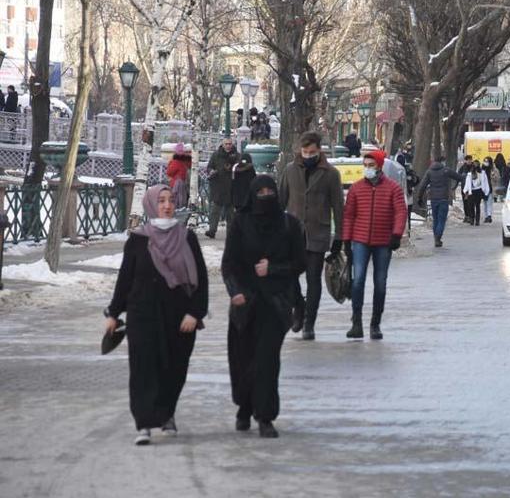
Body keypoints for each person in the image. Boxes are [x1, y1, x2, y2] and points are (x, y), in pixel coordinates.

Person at [105, 185, 208, 445]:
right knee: (143, 368)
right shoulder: (138, 240)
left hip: (179, 317)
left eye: (171, 200)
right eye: (161, 201)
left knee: (174, 368)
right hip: (143, 315)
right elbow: (125, 278)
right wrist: (114, 312)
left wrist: (195, 313)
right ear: (151, 205)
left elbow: (201, 279)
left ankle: (166, 412)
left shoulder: (187, 238)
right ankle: (144, 422)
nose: (167, 206)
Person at [222, 175, 306, 438]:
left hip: (276, 303)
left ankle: (265, 416)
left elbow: (300, 263)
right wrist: (235, 291)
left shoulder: (289, 225)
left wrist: (274, 269)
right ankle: (244, 407)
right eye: (261, 192)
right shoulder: (240, 223)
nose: (266, 196)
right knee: (243, 361)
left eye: (271, 191)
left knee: (267, 361)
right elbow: (229, 264)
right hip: (245, 304)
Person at [278, 131, 344, 340]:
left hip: (318, 232)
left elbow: (338, 207)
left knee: (313, 279)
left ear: (319, 151)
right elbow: (280, 201)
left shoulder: (330, 173)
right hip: (293, 234)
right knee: (288, 277)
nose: (308, 155)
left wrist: (339, 237)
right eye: (305, 152)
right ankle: (299, 306)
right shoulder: (290, 170)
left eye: (312, 152)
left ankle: (309, 323)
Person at [342, 150, 406, 340]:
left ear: (379, 166)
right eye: (365, 166)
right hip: (360, 240)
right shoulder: (356, 189)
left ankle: (375, 324)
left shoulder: (393, 188)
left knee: (380, 283)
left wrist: (396, 234)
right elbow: (349, 215)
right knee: (358, 280)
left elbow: (400, 212)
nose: (368, 169)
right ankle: (356, 322)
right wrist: (346, 239)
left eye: (371, 165)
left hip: (383, 241)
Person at [417, 155, 464, 247]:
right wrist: (465, 177)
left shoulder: (429, 172)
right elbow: (458, 177)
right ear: (442, 161)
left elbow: (423, 185)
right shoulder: (446, 170)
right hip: (443, 198)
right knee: (441, 219)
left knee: (436, 219)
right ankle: (438, 237)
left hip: (433, 198)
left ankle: (436, 237)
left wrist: (419, 197)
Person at [205, 138, 240, 239]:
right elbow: (209, 167)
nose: (228, 146)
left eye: (230, 144)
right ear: (223, 144)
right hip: (218, 186)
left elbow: (240, 168)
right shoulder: (216, 155)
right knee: (215, 211)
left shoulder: (236, 155)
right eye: (226, 144)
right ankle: (212, 230)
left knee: (230, 213)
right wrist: (211, 171)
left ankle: (231, 233)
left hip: (231, 187)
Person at [463, 160, 490, 226]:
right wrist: (466, 190)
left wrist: (486, 191)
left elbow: (485, 182)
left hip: (478, 190)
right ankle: (472, 219)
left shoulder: (482, 173)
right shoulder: (469, 174)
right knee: (471, 206)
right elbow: (467, 183)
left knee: (477, 205)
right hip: (471, 191)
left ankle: (477, 220)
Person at [166, 143, 191, 209]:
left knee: (176, 200)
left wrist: (170, 163)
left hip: (176, 184)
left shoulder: (175, 162)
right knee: (182, 200)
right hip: (184, 184)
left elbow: (169, 172)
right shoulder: (186, 161)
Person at [457, 155, 474, 223]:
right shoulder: (462, 168)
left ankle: (471, 216)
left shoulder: (473, 167)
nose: (469, 161)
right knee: (465, 202)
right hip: (464, 188)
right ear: (465, 161)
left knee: (471, 203)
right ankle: (466, 216)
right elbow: (458, 176)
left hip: (472, 188)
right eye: (468, 160)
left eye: (470, 160)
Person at [481, 156, 496, 222]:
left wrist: (493, 176)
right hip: (483, 188)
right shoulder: (482, 169)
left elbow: (497, 178)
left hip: (490, 187)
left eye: (487, 161)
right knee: (485, 203)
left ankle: (489, 216)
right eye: (485, 161)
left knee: (489, 202)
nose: (485, 162)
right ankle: (486, 216)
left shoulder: (493, 169)